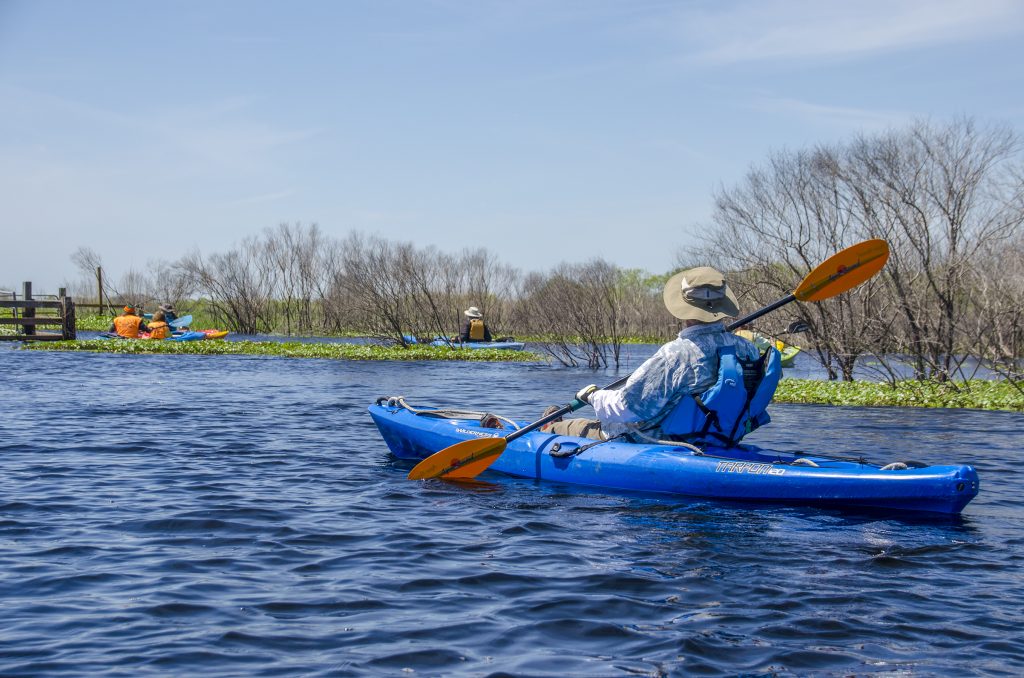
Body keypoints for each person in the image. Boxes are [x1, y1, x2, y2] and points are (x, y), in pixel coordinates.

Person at [541, 267, 778, 446]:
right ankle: (552, 419)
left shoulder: (676, 354)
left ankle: (549, 426)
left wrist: (593, 397)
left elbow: (627, 408)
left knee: (567, 428)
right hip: (718, 440)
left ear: (684, 310)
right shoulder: (746, 349)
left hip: (652, 441)